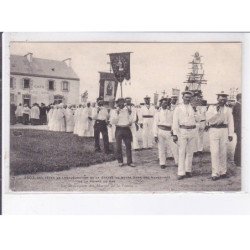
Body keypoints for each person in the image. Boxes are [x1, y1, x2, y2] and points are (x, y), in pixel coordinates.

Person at [206, 91, 234, 180]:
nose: (222, 101)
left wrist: (230, 133)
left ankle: (223, 172)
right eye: (221, 99)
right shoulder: (211, 108)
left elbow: (231, 122)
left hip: (224, 130)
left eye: (224, 99)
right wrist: (216, 112)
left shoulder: (228, 109)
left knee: (223, 152)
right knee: (214, 152)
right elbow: (208, 119)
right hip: (214, 130)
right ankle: (215, 173)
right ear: (217, 99)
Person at [172, 91, 198, 180]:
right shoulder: (178, 108)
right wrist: (175, 134)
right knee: (182, 152)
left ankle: (188, 170)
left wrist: (196, 111)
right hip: (182, 131)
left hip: (192, 131)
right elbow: (175, 122)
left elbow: (198, 119)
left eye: (189, 97)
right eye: (186, 97)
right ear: (182, 98)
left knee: (190, 152)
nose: (188, 99)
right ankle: (181, 172)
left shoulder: (193, 107)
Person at [153, 98, 178, 169]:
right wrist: (155, 135)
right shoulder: (157, 113)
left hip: (169, 131)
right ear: (161, 104)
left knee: (174, 147)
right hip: (160, 131)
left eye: (166, 103)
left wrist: (174, 131)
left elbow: (174, 122)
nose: (165, 104)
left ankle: (177, 161)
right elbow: (155, 124)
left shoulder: (171, 112)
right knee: (161, 148)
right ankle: (162, 163)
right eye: (163, 103)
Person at [110, 98, 135, 167]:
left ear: (124, 103)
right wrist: (117, 114)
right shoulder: (114, 111)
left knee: (128, 146)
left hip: (126, 129)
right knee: (118, 146)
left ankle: (129, 162)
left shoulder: (127, 110)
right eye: (119, 102)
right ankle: (120, 161)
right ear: (117, 103)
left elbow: (131, 121)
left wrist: (130, 114)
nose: (121, 104)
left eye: (122, 102)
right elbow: (113, 122)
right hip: (119, 129)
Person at [232, 93, 241, 166]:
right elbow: (237, 119)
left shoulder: (237, 106)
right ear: (240, 98)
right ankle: (238, 161)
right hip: (239, 128)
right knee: (240, 143)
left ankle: (237, 160)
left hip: (239, 128)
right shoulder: (237, 106)